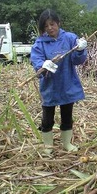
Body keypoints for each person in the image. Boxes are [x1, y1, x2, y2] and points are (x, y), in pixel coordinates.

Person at [30, 9, 88, 155]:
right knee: (47, 118)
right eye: (46, 26)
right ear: (43, 28)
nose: (50, 28)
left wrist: (80, 50)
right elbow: (36, 59)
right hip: (50, 85)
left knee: (67, 116)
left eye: (52, 24)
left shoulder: (69, 38)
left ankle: (66, 143)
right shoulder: (40, 43)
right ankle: (48, 146)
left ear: (58, 23)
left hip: (67, 83)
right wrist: (42, 65)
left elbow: (77, 60)